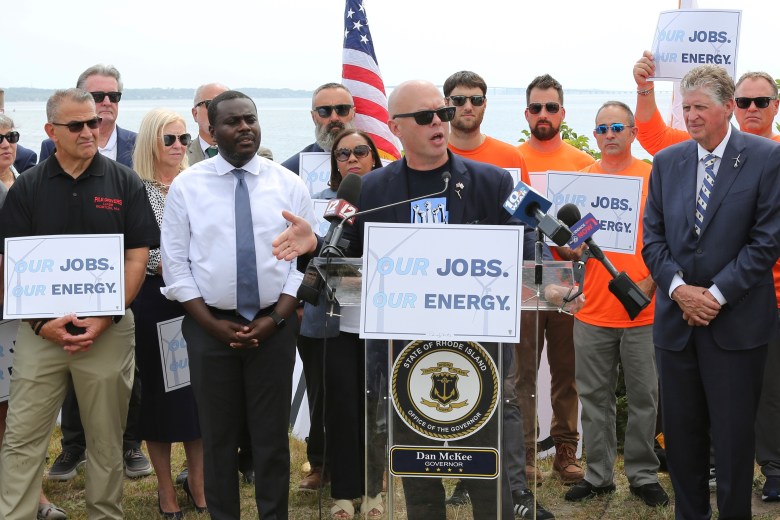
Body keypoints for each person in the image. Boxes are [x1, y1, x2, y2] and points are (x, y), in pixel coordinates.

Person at [273, 79, 547, 520]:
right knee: (418, 472)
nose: (439, 121)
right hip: (402, 356)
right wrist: (313, 245)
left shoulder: (494, 182)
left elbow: (535, 239)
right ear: (395, 127)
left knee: (486, 468)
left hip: (481, 352)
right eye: (425, 117)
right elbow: (345, 256)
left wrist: (544, 270)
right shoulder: (370, 190)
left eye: (442, 112)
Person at [0, 87, 158, 520]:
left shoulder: (124, 181)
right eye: (77, 125)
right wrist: (38, 323)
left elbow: (137, 256)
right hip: (40, 332)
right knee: (23, 434)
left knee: (106, 437)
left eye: (94, 122)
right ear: (51, 130)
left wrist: (107, 316)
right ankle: (13, 513)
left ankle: (105, 513)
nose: (90, 130)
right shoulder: (28, 186)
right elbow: (7, 263)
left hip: (107, 330)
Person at [160, 90, 317, 519]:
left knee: (270, 438)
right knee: (218, 438)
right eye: (233, 121)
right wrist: (211, 325)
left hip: (274, 326)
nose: (245, 127)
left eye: (251, 118)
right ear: (211, 130)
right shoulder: (188, 187)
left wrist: (277, 318)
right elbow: (175, 266)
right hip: (210, 328)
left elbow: (303, 263)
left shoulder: (288, 184)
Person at [634, 51, 780, 501]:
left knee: (735, 442)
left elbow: (766, 240)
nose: (691, 115)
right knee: (682, 439)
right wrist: (679, 291)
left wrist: (715, 295)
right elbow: (653, 240)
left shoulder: (765, 158)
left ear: (726, 107)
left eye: (700, 107)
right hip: (676, 327)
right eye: (686, 106)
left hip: (736, 326)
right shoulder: (668, 162)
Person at [442, 70, 554, 520]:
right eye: (459, 99)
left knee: (500, 393)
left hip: (494, 300)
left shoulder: (509, 157)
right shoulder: (430, 154)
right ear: (446, 106)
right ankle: (459, 479)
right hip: (435, 301)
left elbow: (530, 225)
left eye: (477, 99)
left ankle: (514, 494)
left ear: (486, 104)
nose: (468, 106)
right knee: (446, 393)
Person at [42, 64, 150, 482]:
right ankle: (73, 446)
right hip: (65, 278)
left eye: (113, 97)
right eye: (98, 97)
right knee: (71, 357)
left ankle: (128, 445)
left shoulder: (137, 146)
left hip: (125, 274)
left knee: (126, 369)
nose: (106, 105)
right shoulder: (53, 151)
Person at [560, 101, 668, 508]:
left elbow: (672, 236)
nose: (609, 134)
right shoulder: (583, 182)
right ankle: (598, 474)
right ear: (594, 135)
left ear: (633, 132)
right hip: (592, 311)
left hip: (643, 310)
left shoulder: (652, 178)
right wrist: (571, 252)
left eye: (617, 126)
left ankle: (642, 474)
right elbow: (574, 248)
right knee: (594, 398)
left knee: (644, 398)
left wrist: (653, 281)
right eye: (601, 128)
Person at [300, 128, 385, 519]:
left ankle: (375, 492)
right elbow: (308, 260)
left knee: (376, 410)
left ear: (374, 157)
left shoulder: (391, 202)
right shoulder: (323, 205)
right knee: (341, 408)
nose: (352, 158)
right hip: (335, 325)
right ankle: (344, 494)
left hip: (381, 324)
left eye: (360, 151)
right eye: (342, 153)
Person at [515, 74, 592, 485]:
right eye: (535, 107)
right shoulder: (511, 161)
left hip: (570, 277)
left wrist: (578, 248)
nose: (543, 114)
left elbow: (592, 228)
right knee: (522, 371)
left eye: (551, 107)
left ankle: (566, 451)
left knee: (568, 369)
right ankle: (525, 454)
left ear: (563, 112)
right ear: (525, 113)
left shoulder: (583, 162)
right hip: (525, 278)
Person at [131, 108, 206, 518]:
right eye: (169, 139)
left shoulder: (199, 183)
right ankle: (166, 489)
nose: (179, 147)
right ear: (150, 143)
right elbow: (134, 251)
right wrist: (169, 262)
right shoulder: (134, 189)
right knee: (161, 399)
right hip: (154, 302)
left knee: (198, 396)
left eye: (184, 139)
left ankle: (198, 481)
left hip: (200, 301)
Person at [281, 82, 356, 493]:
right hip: (311, 302)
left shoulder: (380, 173)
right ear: (313, 116)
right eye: (324, 110)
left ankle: (368, 465)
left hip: (369, 304)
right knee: (320, 386)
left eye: (342, 108)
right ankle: (320, 461)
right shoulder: (290, 169)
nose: (334, 118)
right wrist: (292, 298)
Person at [0, 114, 67, 520]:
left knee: (19, 409)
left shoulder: (24, 179)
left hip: (24, 314)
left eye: (11, 136)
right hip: (9, 308)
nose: (5, 143)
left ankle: (30, 493)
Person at [40, 65, 137, 168]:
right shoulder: (52, 146)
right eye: (97, 96)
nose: (107, 102)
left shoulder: (140, 144)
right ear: (80, 98)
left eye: (114, 96)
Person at [188, 82, 273, 166]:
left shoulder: (260, 156)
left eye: (226, 106)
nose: (219, 111)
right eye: (210, 104)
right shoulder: (179, 153)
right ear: (195, 114)